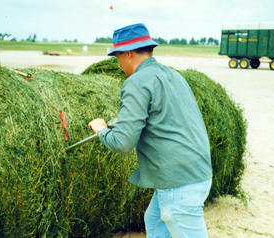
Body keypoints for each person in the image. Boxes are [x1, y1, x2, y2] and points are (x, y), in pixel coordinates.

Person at [88, 23, 212, 238]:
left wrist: (101, 130)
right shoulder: (173, 75)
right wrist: (124, 121)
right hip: (197, 171)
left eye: (117, 57)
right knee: (154, 220)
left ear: (128, 54)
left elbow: (122, 143)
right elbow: (165, 115)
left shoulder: (137, 81)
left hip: (178, 181)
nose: (118, 64)